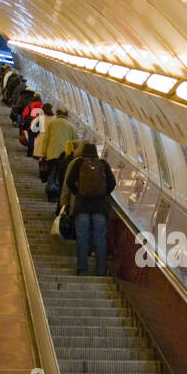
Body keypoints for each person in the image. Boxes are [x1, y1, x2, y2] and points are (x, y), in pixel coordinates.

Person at [65, 142, 117, 275]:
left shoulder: (79, 163)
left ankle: (82, 269)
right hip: (100, 207)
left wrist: (78, 193)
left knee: (82, 238)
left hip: (82, 207)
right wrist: (103, 194)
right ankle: (101, 271)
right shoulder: (103, 164)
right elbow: (112, 183)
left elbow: (69, 181)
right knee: (100, 238)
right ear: (96, 152)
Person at [41, 107, 77, 201]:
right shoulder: (71, 126)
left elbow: (46, 140)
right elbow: (76, 142)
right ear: (67, 115)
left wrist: (43, 154)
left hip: (52, 153)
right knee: (60, 175)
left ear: (57, 114)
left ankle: (50, 192)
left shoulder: (51, 124)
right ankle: (58, 193)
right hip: (65, 156)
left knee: (52, 173)